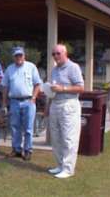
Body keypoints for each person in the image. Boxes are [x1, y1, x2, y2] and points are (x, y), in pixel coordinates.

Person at [45, 44, 84, 179]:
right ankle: (60, 165)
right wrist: (47, 107)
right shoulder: (54, 70)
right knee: (56, 138)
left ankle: (68, 169)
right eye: (53, 54)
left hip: (69, 105)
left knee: (69, 138)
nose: (55, 56)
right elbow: (52, 90)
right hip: (55, 104)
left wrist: (63, 89)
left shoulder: (73, 67)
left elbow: (80, 87)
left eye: (58, 53)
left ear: (65, 53)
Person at [1, 47, 42, 161]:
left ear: (24, 56)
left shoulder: (31, 67)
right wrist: (4, 102)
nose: (18, 57)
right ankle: (16, 149)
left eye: (20, 55)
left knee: (28, 128)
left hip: (28, 101)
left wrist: (33, 98)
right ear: (13, 57)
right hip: (14, 101)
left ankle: (28, 150)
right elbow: (5, 86)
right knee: (15, 127)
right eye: (16, 55)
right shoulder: (10, 69)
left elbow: (38, 84)